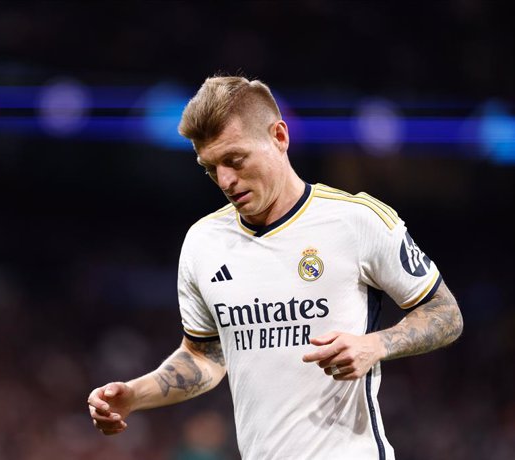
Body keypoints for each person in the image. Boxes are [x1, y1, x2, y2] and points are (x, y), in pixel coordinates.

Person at [87, 76, 463, 459]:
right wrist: (135, 395)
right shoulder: (203, 242)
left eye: (234, 160)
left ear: (279, 137)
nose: (225, 180)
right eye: (210, 167)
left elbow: (445, 313)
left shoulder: (357, 220)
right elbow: (205, 356)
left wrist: (375, 344)